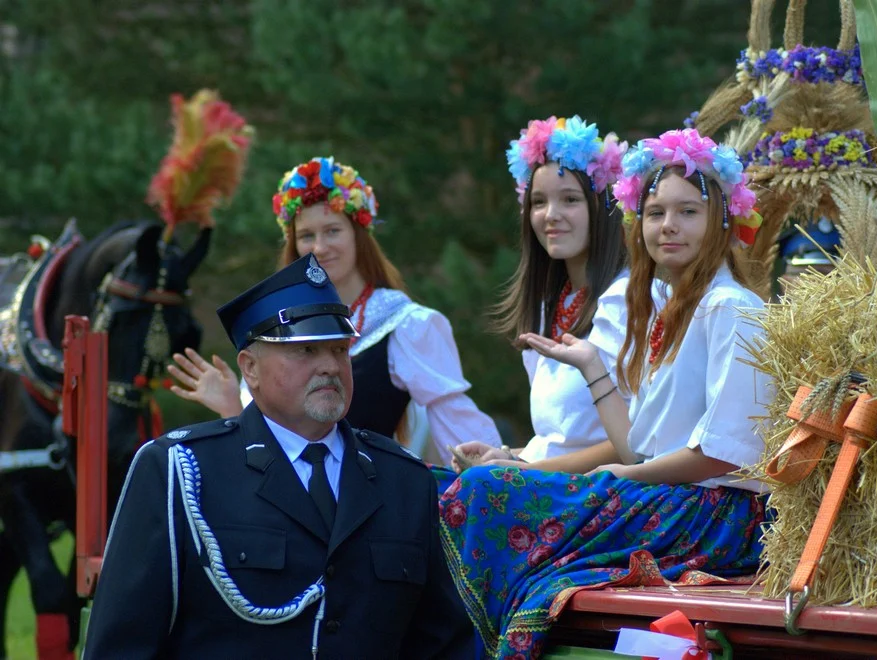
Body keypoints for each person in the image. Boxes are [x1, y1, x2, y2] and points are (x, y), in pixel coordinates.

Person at [439, 129, 771, 659]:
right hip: (672, 497)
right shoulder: (668, 312)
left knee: (483, 494)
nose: (668, 226)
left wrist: (627, 475)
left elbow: (720, 454)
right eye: (656, 212)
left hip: (718, 513)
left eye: (688, 212)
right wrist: (593, 366)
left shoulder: (731, 308)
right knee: (445, 486)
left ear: (722, 221)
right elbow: (634, 444)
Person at [83, 254, 475, 658]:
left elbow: (443, 645)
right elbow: (121, 645)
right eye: (305, 351)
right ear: (249, 368)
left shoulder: (404, 479)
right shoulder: (181, 470)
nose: (330, 367)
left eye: (340, 350)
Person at [167, 156, 500, 464]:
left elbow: (458, 424)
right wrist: (230, 406)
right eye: (307, 235)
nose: (320, 248)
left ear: (358, 235)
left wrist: (494, 472)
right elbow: (265, 452)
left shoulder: (405, 325)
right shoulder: (276, 326)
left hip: (371, 507)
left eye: (333, 231)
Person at [453, 116, 631, 474]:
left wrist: (523, 471)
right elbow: (559, 441)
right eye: (538, 202)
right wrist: (505, 456)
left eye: (569, 199)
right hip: (554, 483)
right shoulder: (548, 305)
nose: (550, 215)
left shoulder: (627, 299)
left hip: (610, 492)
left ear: (603, 207)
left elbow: (637, 442)